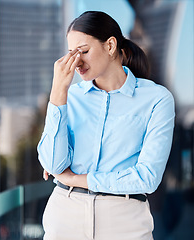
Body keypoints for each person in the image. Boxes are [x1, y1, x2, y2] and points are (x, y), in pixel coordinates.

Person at [37, 11, 175, 240]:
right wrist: (57, 93)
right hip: (65, 216)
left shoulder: (157, 99)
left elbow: (147, 177)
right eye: (71, 53)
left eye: (82, 51)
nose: (77, 62)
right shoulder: (68, 96)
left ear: (110, 45)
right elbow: (53, 163)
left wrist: (77, 179)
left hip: (125, 222)